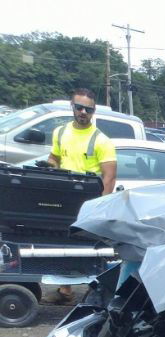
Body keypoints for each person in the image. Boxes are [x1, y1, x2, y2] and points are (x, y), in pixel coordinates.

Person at [46, 88, 117, 302]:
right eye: (79, 107)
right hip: (64, 198)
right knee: (61, 243)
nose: (83, 112)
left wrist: (99, 206)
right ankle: (65, 290)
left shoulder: (101, 140)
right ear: (72, 107)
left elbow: (110, 176)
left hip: (87, 200)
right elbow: (54, 157)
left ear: (94, 111)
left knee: (87, 247)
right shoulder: (60, 132)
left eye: (88, 109)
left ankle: (95, 292)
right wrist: (49, 167)